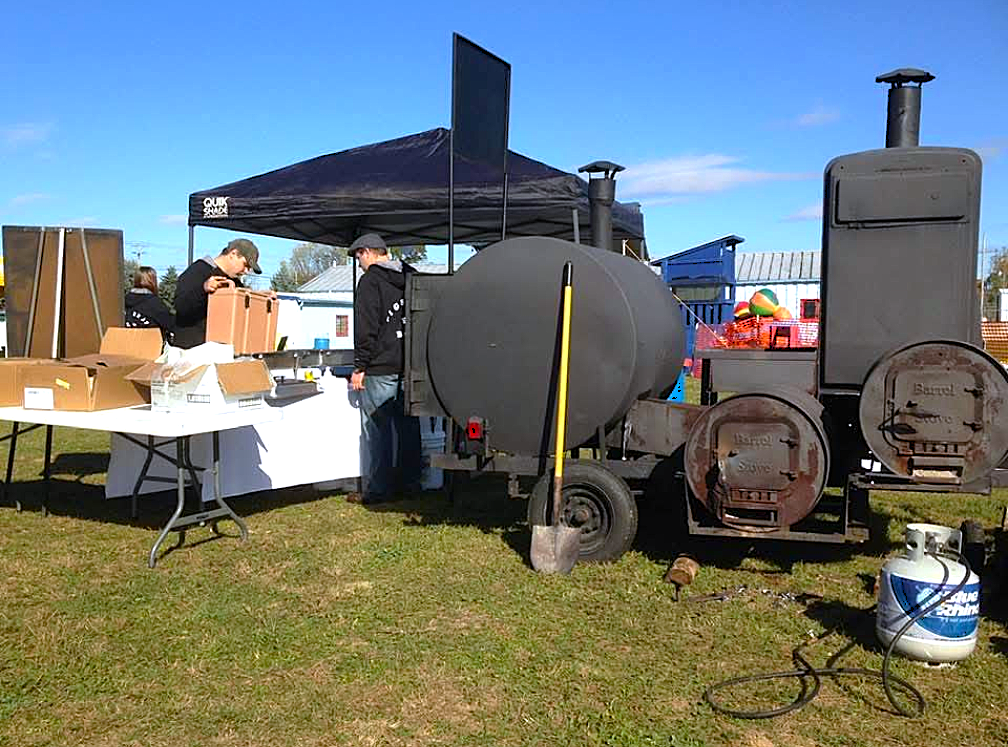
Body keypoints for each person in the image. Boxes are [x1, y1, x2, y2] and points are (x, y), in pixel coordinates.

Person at [347, 233, 422, 504]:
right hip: (410, 363)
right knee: (408, 426)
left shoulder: (370, 281)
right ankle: (411, 482)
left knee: (377, 428)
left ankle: (379, 488)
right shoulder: (412, 276)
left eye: (358, 256)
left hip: (380, 365)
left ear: (368, 252)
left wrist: (360, 366)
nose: (359, 263)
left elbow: (366, 327)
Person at [174, 238, 262, 348]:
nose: (246, 271)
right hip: (192, 350)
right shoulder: (198, 270)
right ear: (233, 254)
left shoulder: (235, 283)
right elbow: (181, 306)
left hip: (221, 351)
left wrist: (262, 297)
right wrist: (203, 289)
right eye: (245, 265)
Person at [125, 266, 175, 344]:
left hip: (126, 346)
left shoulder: (123, 301)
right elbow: (171, 325)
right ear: (153, 282)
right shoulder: (156, 304)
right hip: (152, 349)